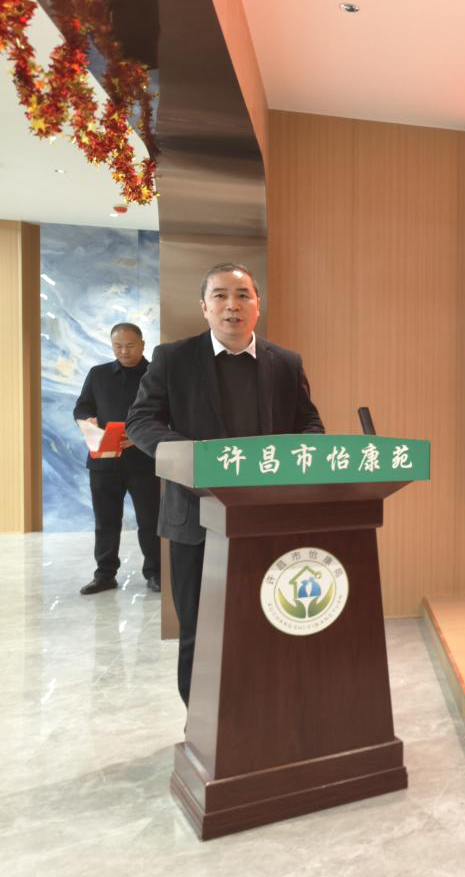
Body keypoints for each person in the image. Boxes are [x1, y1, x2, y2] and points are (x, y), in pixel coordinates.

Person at [126, 263, 323, 705]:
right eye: (220, 296)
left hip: (266, 519)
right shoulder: (173, 358)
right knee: (199, 629)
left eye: (242, 295)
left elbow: (309, 422)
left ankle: (259, 715)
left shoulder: (285, 362)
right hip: (195, 517)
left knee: (268, 621)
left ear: (258, 305)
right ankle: (201, 724)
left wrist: (301, 457)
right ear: (204, 307)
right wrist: (192, 456)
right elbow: (141, 420)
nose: (232, 305)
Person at [73, 323, 162, 595]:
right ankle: (105, 574)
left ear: (142, 344)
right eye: (117, 346)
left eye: (130, 345)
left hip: (144, 461)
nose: (124, 351)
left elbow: (167, 412)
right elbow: (82, 407)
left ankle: (155, 572)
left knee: (150, 520)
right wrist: (87, 420)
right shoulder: (98, 374)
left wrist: (141, 436)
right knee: (106, 521)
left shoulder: (156, 374)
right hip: (104, 460)